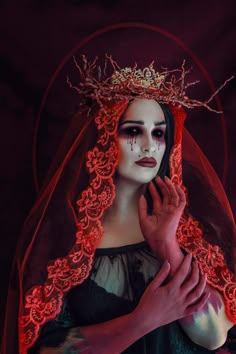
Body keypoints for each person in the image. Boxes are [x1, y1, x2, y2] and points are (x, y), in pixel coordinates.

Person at [2, 56, 236, 354]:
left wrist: (167, 244)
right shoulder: (64, 240)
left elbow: (214, 336)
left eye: (159, 133)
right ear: (104, 135)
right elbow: (46, 350)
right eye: (133, 131)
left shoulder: (193, 229)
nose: (149, 145)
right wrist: (143, 320)